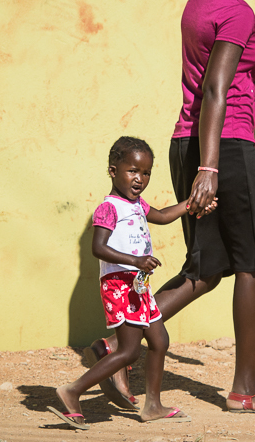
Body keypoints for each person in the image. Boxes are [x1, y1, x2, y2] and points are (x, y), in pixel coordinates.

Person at [88, 0, 255, 414]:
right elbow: (216, 89)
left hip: (193, 141)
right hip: (218, 149)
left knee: (206, 268)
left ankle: (115, 347)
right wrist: (214, 167)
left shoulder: (199, 2)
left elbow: (219, 91)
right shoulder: (239, 12)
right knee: (251, 265)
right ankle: (245, 389)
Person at [48, 136, 200, 429]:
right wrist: (135, 261)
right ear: (113, 170)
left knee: (159, 340)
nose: (139, 179)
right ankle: (72, 391)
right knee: (129, 350)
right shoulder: (109, 208)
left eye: (146, 173)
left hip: (138, 285)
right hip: (119, 284)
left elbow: (165, 215)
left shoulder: (139, 205)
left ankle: (153, 405)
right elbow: (99, 248)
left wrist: (192, 204)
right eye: (132, 171)